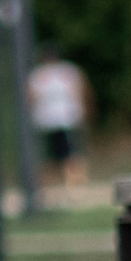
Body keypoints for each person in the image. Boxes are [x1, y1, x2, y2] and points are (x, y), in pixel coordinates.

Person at [27, 49, 92, 196]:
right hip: (53, 119)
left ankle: (73, 182)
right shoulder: (53, 73)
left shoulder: (56, 72)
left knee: (69, 152)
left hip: (61, 118)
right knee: (60, 153)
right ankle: (59, 184)